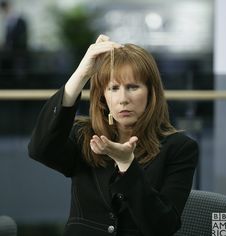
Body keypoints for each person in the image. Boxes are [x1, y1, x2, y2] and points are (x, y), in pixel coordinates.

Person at [28, 34, 198, 236]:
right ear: (103, 96)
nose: (123, 99)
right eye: (113, 88)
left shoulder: (179, 148)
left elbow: (163, 227)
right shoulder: (83, 136)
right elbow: (40, 149)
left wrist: (127, 165)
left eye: (133, 87)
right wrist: (82, 74)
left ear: (151, 92)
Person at [0, 0, 28, 87]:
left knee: (19, 78)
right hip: (8, 57)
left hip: (18, 55)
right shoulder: (6, 22)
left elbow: (22, 39)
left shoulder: (20, 21)